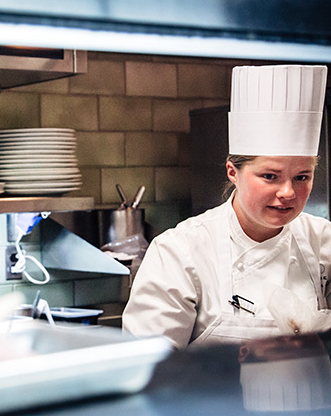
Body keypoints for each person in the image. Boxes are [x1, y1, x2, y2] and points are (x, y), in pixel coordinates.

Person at [123, 64, 331, 349]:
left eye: (302, 177)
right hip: (217, 395)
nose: (288, 192)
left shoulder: (323, 241)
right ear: (233, 172)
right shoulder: (180, 252)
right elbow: (148, 369)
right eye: (270, 176)